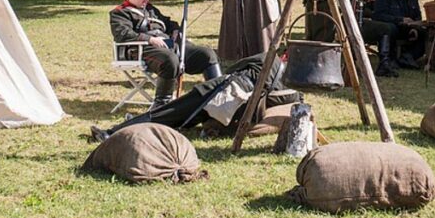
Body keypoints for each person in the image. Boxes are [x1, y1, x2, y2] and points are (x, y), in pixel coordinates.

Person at [91, 53, 300, 141]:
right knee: (174, 117)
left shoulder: (269, 58)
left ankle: (113, 133)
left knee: (168, 114)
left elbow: (235, 67)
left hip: (221, 90)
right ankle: (134, 125)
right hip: (232, 108)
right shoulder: (291, 89)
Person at [110, 0, 222, 107]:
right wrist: (150, 39)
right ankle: (162, 106)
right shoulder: (120, 13)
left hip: (169, 46)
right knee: (170, 60)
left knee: (207, 54)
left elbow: (169, 23)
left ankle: (219, 94)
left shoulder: (151, 10)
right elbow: (123, 34)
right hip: (142, 49)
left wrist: (175, 30)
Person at [360, 0, 426, 77]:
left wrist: (414, 26)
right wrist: (399, 20)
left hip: (407, 28)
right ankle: (386, 62)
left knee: (426, 31)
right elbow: (378, 16)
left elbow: (417, 16)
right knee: (389, 28)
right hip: (391, 27)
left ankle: (407, 57)